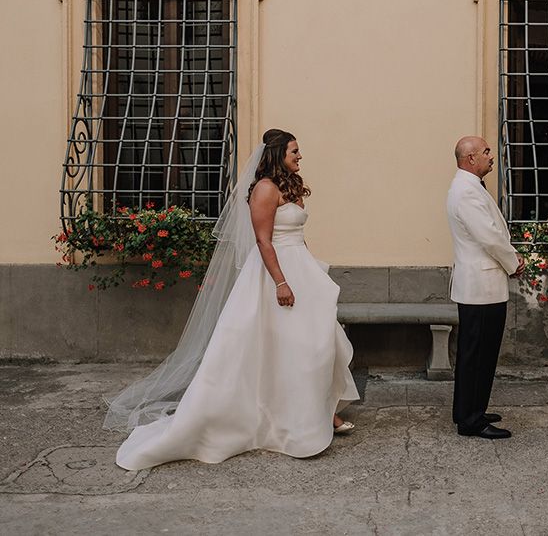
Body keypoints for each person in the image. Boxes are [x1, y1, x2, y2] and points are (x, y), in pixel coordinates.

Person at [105, 129, 359, 470]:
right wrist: (281, 282)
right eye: (294, 151)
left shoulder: (290, 186)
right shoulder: (265, 189)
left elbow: (296, 236)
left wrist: (310, 271)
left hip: (300, 271)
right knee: (289, 350)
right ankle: (286, 421)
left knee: (321, 344)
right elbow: (264, 241)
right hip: (274, 276)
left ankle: (320, 413)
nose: (300, 156)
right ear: (278, 153)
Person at [446, 136, 525, 439]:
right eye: (486, 152)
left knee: (479, 352)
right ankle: (471, 420)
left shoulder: (468, 187)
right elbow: (489, 237)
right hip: (481, 286)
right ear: (470, 159)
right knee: (477, 353)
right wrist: (513, 262)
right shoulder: (466, 192)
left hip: (481, 284)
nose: (491, 156)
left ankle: (470, 408)